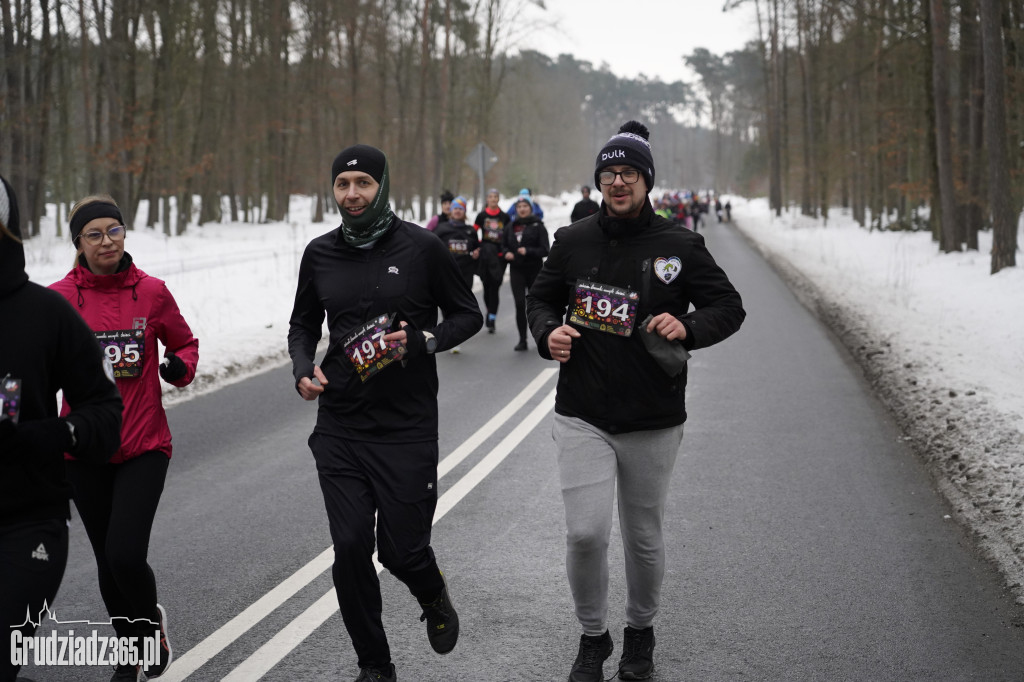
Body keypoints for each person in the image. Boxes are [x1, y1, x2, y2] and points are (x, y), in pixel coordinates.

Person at [526, 121, 745, 682]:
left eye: (627, 173)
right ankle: (592, 638)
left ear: (646, 180)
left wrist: (688, 325)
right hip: (583, 413)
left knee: (643, 537)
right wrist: (548, 330)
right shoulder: (573, 240)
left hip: (652, 417)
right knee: (585, 533)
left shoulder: (679, 244)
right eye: (608, 173)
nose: (617, 182)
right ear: (598, 181)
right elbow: (541, 298)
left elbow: (728, 307)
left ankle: (640, 634)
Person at [288, 144, 482, 682]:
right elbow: (302, 323)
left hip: (406, 426)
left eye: (363, 184)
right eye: (343, 184)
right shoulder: (319, 254)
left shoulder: (423, 248)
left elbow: (469, 316)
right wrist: (303, 366)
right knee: (350, 548)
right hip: (342, 424)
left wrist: (424, 340)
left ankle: (432, 592)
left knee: (402, 551)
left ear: (383, 186)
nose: (352, 194)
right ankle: (375, 664)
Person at [50, 194, 199, 681]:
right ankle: (130, 652)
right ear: (78, 243)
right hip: (84, 451)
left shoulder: (152, 292)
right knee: (106, 562)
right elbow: (32, 369)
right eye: (94, 234)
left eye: (114, 230)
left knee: (125, 554)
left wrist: (180, 367)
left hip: (143, 445)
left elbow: (183, 343)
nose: (107, 241)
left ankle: (148, 626)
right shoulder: (57, 300)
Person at [1, 175, 123, 682]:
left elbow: (104, 408)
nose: (106, 242)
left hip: (25, 518)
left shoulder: (43, 312)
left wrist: (58, 433)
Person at [433, 196, 480, 354]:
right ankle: (449, 332)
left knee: (460, 305)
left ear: (464, 211)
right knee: (447, 304)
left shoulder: (470, 230)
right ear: (451, 211)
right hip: (446, 273)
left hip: (465, 273)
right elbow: (430, 245)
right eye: (455, 208)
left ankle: (454, 335)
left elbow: (476, 247)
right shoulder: (441, 229)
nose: (458, 211)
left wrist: (476, 253)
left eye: (461, 208)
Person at [503, 194, 549, 352]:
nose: (522, 209)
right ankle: (522, 339)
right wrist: (506, 253)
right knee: (519, 304)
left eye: (525, 207)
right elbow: (503, 246)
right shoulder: (510, 226)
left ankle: (540, 336)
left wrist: (527, 250)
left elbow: (545, 249)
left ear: (530, 209)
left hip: (534, 269)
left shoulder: (538, 225)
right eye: (519, 207)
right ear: (516, 210)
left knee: (535, 305)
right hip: (516, 270)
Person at [472, 188, 510, 333]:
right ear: (487, 199)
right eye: (491, 197)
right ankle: (489, 310)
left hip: (499, 257)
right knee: (487, 287)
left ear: (498, 199)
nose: (493, 199)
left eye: (496, 196)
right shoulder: (481, 216)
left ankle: (492, 317)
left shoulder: (504, 217)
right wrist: (477, 246)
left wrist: (506, 251)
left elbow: (509, 235)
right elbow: (472, 232)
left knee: (495, 287)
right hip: (485, 256)